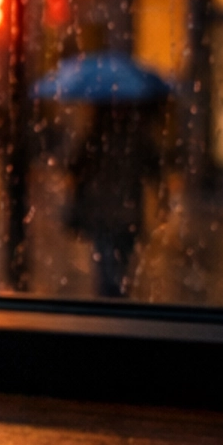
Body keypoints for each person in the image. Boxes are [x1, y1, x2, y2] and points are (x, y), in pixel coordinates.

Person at [65, 97, 165, 296]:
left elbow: (74, 166)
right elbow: (155, 169)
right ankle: (115, 302)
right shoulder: (132, 134)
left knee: (110, 268)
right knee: (115, 268)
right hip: (119, 214)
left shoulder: (98, 133)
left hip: (109, 214)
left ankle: (111, 304)